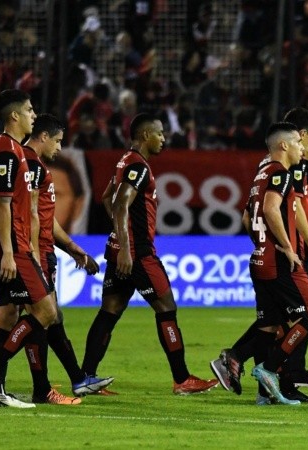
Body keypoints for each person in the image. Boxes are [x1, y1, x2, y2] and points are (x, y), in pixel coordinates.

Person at [80, 113, 218, 395]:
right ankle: (182, 379)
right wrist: (128, 247)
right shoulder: (138, 166)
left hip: (119, 249)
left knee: (110, 311)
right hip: (138, 253)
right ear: (146, 136)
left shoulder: (123, 162)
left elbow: (107, 199)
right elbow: (119, 205)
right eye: (160, 134)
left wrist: (120, 238)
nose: (164, 139)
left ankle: (87, 377)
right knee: (166, 308)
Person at [219, 122, 308, 406]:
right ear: (284, 145)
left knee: (270, 325)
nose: (303, 148)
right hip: (278, 260)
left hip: (259, 258)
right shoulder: (280, 173)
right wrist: (288, 248)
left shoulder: (261, 173)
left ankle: (262, 388)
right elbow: (269, 208)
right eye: (299, 143)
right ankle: (267, 369)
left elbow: (247, 218)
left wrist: (261, 243)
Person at [0, 89, 57, 409]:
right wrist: (7, 252)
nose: (34, 115)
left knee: (7, 316)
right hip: (14, 247)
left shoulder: (14, 150)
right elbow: (2, 204)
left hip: (5, 246)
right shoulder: (6, 151)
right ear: (14, 116)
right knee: (46, 311)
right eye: (30, 110)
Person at [23, 114, 112, 397]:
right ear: (44, 136)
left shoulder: (32, 165)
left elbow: (46, 220)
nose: (60, 148)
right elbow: (31, 217)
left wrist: (73, 248)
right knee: (38, 317)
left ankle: (74, 379)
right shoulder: (30, 165)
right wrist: (34, 256)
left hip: (42, 251)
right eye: (58, 141)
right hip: (31, 253)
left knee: (48, 316)